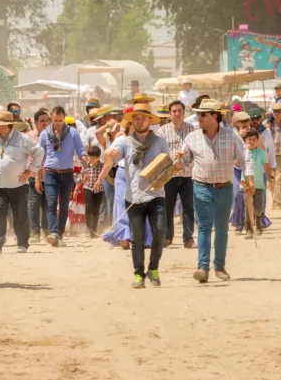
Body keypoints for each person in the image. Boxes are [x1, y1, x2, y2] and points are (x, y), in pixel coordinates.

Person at [178, 99, 253, 283]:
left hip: (225, 187)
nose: (199, 117)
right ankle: (203, 268)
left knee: (221, 228)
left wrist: (249, 179)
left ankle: (219, 266)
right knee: (204, 227)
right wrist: (178, 160)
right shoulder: (191, 138)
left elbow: (245, 158)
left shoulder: (231, 135)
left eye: (202, 114)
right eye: (198, 114)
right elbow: (183, 162)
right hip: (201, 187)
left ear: (214, 116)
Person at [106, 103, 169, 288]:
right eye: (137, 118)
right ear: (132, 121)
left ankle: (153, 268)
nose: (140, 121)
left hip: (157, 195)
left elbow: (167, 167)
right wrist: (109, 153)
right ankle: (138, 275)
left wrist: (172, 167)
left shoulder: (160, 142)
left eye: (144, 118)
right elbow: (110, 158)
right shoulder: (124, 142)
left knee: (160, 233)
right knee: (137, 238)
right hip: (133, 196)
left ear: (150, 120)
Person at [0, 111, 45, 254]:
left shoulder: (22, 138)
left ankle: (22, 244)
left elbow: (39, 152)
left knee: (20, 216)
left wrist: (31, 171)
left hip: (18, 185)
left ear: (5, 126)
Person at [39, 106, 86, 247]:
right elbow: (39, 156)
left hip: (67, 173)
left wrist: (86, 167)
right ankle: (53, 232)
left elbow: (81, 151)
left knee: (64, 206)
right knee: (51, 203)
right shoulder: (44, 134)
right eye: (55, 120)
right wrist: (36, 177)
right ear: (51, 119)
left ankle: (59, 235)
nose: (58, 123)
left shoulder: (73, 133)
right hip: (50, 173)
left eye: (60, 120)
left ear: (64, 119)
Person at [159, 100, 195, 248]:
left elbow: (196, 152)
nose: (177, 114)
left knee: (188, 208)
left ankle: (188, 239)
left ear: (184, 113)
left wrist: (184, 163)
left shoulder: (192, 130)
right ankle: (168, 237)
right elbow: (159, 154)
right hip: (169, 175)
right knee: (168, 207)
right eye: (174, 111)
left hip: (188, 174)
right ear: (169, 114)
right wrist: (171, 164)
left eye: (180, 111)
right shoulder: (162, 131)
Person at [25, 108, 50, 240]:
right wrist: (36, 177)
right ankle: (35, 231)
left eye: (47, 120)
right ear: (35, 122)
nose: (45, 123)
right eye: (42, 121)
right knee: (34, 203)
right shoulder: (28, 136)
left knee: (47, 204)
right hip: (33, 174)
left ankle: (46, 229)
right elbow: (29, 157)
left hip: (49, 174)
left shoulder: (52, 135)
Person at [242, 130, 273, 237]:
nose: (251, 142)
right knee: (248, 207)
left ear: (257, 140)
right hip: (246, 185)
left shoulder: (261, 153)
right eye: (249, 139)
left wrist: (269, 180)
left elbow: (266, 167)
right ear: (245, 140)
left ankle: (259, 224)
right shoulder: (243, 152)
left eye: (254, 139)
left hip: (259, 184)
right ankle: (249, 229)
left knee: (258, 208)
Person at [79, 145, 104, 237]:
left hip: (98, 190)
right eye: (90, 157)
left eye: (93, 158)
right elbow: (80, 177)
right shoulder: (86, 166)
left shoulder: (102, 166)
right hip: (88, 188)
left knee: (96, 209)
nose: (91, 159)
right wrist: (77, 188)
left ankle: (94, 229)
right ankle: (88, 229)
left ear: (98, 157)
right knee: (88, 207)